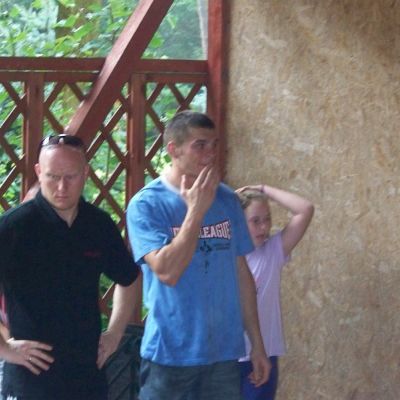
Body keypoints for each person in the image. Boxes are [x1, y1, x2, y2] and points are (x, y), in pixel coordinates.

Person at [127, 110, 271, 400]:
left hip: (223, 353)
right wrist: (195, 211)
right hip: (170, 354)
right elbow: (167, 272)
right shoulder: (147, 204)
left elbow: (241, 274)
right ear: (173, 150)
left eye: (214, 144)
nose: (210, 153)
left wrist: (257, 343)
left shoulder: (227, 199)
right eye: (200, 145)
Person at [0, 134, 140, 400]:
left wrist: (114, 333)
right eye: (52, 177)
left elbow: (129, 278)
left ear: (85, 173)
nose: (62, 187)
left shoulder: (98, 224)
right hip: (31, 378)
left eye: (71, 177)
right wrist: (5, 348)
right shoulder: (14, 227)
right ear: (38, 172)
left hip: (87, 374)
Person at [236, 184, 314, 400]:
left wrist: (263, 189)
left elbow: (305, 209)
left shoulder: (272, 251)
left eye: (267, 219)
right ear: (238, 222)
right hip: (227, 359)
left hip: (263, 356)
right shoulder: (225, 256)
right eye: (255, 221)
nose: (264, 227)